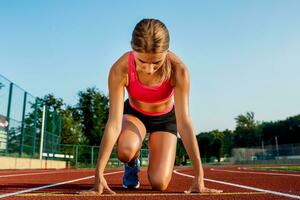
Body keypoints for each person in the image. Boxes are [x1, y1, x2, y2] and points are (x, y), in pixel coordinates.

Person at [83, 18, 222, 195]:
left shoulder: (179, 70)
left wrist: (199, 177)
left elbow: (184, 123)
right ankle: (132, 163)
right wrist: (98, 175)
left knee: (159, 183)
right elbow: (113, 124)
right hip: (135, 115)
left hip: (165, 119)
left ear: (166, 51)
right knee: (125, 150)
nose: (149, 69)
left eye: (156, 63)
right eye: (142, 62)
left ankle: (153, 145)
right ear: (132, 50)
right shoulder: (120, 69)